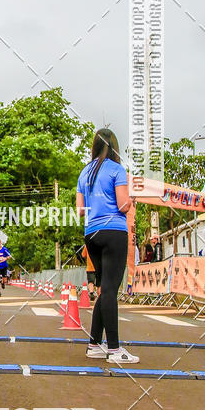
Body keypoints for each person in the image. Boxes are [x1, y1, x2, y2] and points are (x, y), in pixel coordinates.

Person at [76, 127, 139, 365]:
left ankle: (94, 344)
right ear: (115, 147)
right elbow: (123, 206)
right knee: (111, 289)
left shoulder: (84, 173)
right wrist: (132, 199)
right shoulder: (117, 169)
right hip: (114, 232)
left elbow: (81, 211)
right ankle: (114, 349)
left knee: (103, 288)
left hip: (91, 233)